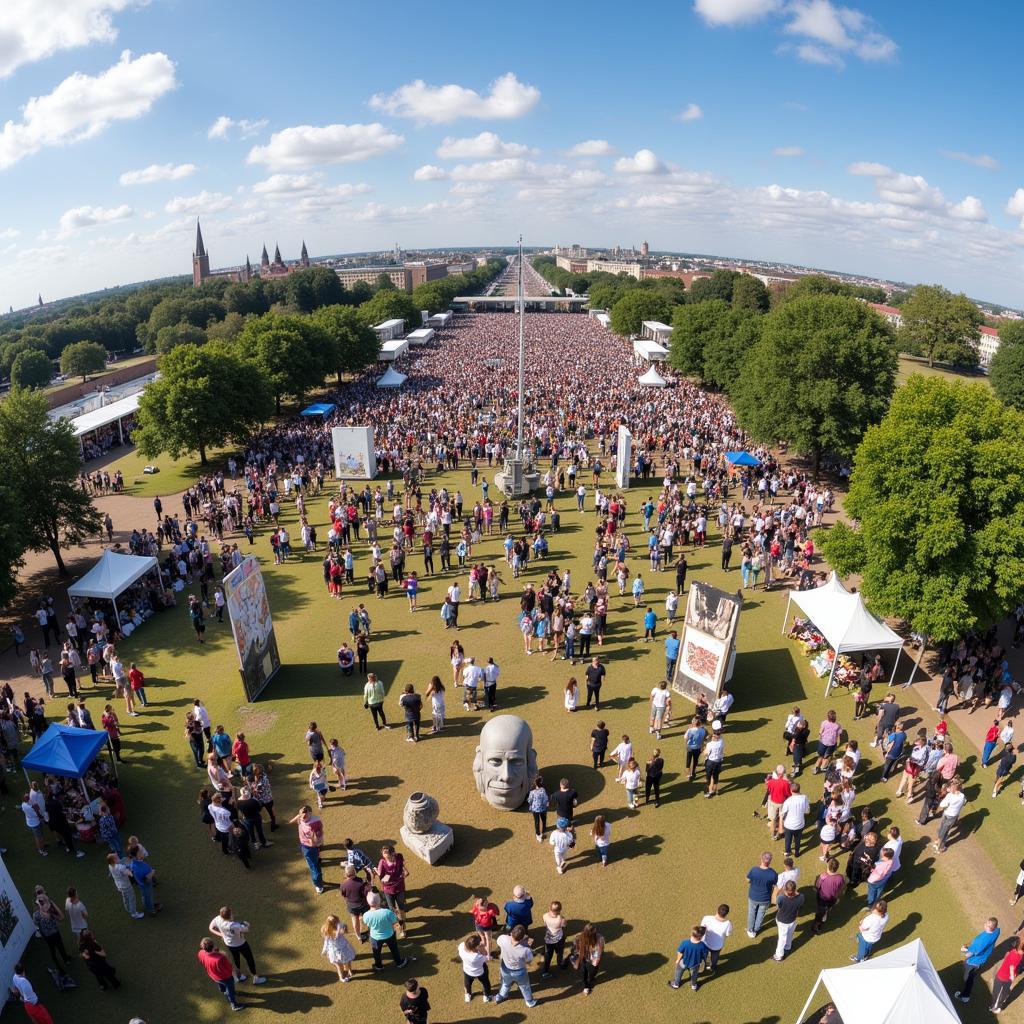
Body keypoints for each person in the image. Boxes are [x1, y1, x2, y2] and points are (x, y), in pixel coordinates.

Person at [209, 906, 267, 985]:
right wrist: (247, 924)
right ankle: (255, 978)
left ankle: (239, 976)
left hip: (230, 944)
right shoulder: (235, 925)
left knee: (236, 959)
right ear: (230, 915)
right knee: (249, 959)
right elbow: (247, 929)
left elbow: (211, 927)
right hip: (241, 944)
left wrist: (221, 934)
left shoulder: (218, 919)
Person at [955, 917, 1000, 1004]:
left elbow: (969, 954)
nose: (984, 924)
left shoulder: (981, 942)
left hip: (974, 962)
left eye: (986, 924)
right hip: (981, 960)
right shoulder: (996, 931)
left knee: (968, 979)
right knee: (970, 975)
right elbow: (997, 929)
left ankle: (965, 996)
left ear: (990, 928)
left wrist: (964, 950)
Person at [362, 891, 409, 970]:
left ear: (368, 902)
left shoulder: (366, 915)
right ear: (379, 900)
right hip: (389, 934)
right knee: (394, 950)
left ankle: (378, 966)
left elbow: (367, 924)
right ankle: (399, 963)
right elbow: (395, 921)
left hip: (375, 937)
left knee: (376, 952)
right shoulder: (387, 912)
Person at [494, 924, 537, 1007]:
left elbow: (499, 941)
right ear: (523, 937)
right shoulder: (526, 949)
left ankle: (501, 996)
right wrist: (526, 944)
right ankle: (530, 1002)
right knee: (524, 986)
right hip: (519, 971)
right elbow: (529, 960)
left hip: (505, 968)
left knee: (506, 983)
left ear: (511, 932)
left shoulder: (503, 939)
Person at [197, 937, 243, 1011]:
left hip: (213, 976)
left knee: (222, 987)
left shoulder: (201, 953)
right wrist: (236, 972)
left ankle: (224, 991)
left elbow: (202, 961)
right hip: (226, 978)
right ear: (213, 946)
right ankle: (234, 1005)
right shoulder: (221, 958)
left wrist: (216, 951)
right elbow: (229, 968)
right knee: (230, 990)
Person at [289, 805, 325, 894]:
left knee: (314, 866)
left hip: (307, 846)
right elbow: (317, 839)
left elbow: (315, 841)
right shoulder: (314, 820)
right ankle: (318, 884)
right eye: (302, 815)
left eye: (303, 815)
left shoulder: (306, 821)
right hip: (309, 847)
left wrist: (292, 820)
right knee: (315, 867)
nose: (302, 817)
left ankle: (318, 884)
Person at [377, 845, 410, 937]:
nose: (385, 855)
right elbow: (381, 877)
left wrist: (404, 871)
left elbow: (402, 866)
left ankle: (403, 929)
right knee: (392, 911)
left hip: (400, 888)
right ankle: (399, 925)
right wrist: (385, 879)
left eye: (387, 853)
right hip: (388, 890)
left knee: (401, 909)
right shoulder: (382, 863)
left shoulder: (399, 856)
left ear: (393, 853)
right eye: (383, 853)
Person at [746, 852, 778, 938]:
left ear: (761, 859)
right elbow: (774, 885)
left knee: (752, 913)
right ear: (770, 861)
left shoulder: (754, 870)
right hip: (765, 899)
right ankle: (756, 930)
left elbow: (748, 880)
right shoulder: (773, 873)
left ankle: (750, 930)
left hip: (753, 896)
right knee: (761, 914)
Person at [772, 880, 804, 961]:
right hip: (792, 920)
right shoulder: (801, 897)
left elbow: (779, 905)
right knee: (790, 934)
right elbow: (800, 903)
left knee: (781, 939)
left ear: (785, 889)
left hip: (782, 920)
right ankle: (788, 946)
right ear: (795, 889)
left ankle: (779, 956)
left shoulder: (781, 897)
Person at [669, 926, 708, 991]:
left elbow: (680, 952)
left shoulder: (685, 943)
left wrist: (678, 960)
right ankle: (694, 986)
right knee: (694, 976)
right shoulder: (703, 946)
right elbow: (705, 955)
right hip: (695, 964)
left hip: (683, 963)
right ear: (701, 937)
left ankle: (676, 984)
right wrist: (704, 962)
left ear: (692, 934)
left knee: (678, 973)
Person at [990, 935, 1022, 1013]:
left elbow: (1011, 965)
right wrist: (1012, 976)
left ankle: (996, 1006)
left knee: (999, 993)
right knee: (998, 993)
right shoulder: (1017, 955)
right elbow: (1011, 966)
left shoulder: (1015, 953)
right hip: (1003, 976)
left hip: (1004, 977)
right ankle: (995, 1006)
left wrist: (1012, 976)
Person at [813, 858, 845, 934]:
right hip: (832, 899)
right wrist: (837, 898)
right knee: (826, 910)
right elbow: (841, 888)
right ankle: (825, 915)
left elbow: (816, 887)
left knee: (820, 914)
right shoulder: (840, 877)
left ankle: (816, 926)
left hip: (822, 899)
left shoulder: (822, 876)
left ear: (828, 866)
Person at [933, 780, 966, 853]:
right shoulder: (962, 796)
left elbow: (942, 805)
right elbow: (964, 803)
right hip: (953, 816)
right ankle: (939, 844)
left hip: (947, 814)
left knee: (943, 828)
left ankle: (939, 846)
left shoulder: (950, 796)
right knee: (944, 829)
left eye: (951, 787)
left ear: (954, 788)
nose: (950, 788)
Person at [572, 922, 604, 996]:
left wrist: (596, 960)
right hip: (584, 958)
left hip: (592, 960)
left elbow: (599, 951)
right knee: (585, 973)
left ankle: (590, 980)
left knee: (592, 972)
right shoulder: (579, 938)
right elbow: (576, 949)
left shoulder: (599, 939)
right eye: (595, 930)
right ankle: (586, 986)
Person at [458, 933, 492, 1003]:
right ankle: (486, 996)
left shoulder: (461, 947)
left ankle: (467, 994)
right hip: (480, 972)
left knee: (467, 983)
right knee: (485, 983)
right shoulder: (477, 956)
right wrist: (482, 948)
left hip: (467, 971)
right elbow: (486, 956)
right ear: (476, 947)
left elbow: (463, 945)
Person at [321, 915, 356, 982]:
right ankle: (349, 972)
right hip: (342, 948)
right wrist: (343, 929)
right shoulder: (330, 929)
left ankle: (342, 977)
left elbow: (326, 942)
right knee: (347, 961)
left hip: (335, 950)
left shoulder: (325, 929)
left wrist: (324, 950)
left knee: (339, 965)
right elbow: (344, 932)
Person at [699, 905, 732, 973]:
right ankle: (712, 968)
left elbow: (701, 929)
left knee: (707, 956)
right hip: (717, 946)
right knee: (714, 958)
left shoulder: (706, 918)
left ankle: (707, 967)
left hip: (706, 943)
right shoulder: (728, 923)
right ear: (726, 914)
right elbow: (728, 934)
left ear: (717, 911)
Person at [780, 782, 810, 856]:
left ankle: (787, 852)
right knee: (797, 840)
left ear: (791, 790)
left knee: (788, 840)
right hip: (800, 824)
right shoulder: (804, 798)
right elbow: (807, 811)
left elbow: (782, 814)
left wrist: (781, 825)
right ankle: (797, 853)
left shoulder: (788, 801)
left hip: (789, 825)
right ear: (799, 789)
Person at [541, 901, 568, 976]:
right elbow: (564, 925)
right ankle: (560, 964)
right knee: (559, 953)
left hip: (548, 940)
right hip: (559, 940)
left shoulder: (545, 916)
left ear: (549, 908)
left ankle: (545, 972)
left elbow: (545, 923)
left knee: (548, 956)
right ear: (559, 910)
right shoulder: (561, 919)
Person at [704, 724, 724, 798]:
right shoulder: (721, 741)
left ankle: (709, 791)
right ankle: (715, 790)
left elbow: (706, 754)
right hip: (718, 761)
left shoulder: (710, 744)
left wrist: (704, 748)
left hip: (710, 762)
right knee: (715, 777)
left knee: (708, 777)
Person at [527, 776, 549, 842]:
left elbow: (529, 800)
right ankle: (544, 830)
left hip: (535, 809)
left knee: (537, 822)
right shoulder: (543, 790)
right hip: (543, 808)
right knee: (544, 819)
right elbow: (545, 799)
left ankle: (538, 834)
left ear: (535, 784)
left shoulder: (532, 792)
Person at [685, 717, 707, 782]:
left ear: (693, 723)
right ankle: (693, 772)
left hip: (690, 747)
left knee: (688, 760)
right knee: (695, 760)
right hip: (698, 747)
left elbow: (686, 738)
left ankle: (689, 773)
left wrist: (686, 745)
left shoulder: (690, 730)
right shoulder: (703, 730)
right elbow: (703, 738)